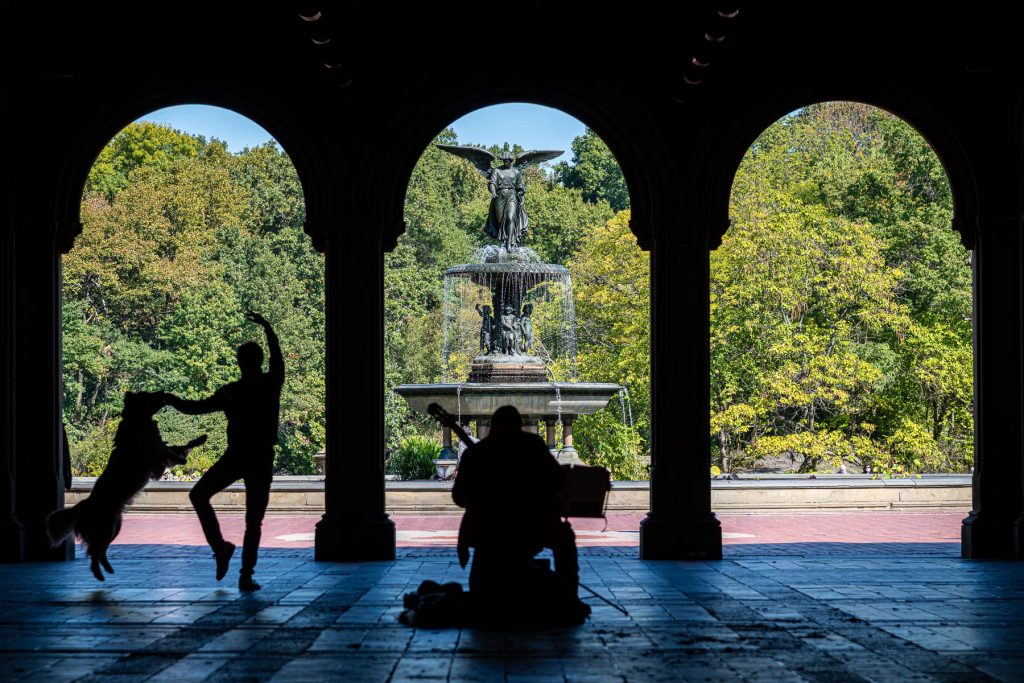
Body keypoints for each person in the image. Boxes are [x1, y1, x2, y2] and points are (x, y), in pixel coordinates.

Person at [166, 311, 284, 591]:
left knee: (198, 495)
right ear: (260, 361)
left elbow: (194, 408)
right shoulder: (270, 384)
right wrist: (268, 328)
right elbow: (278, 358)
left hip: (237, 455)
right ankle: (246, 574)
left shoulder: (232, 392)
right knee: (253, 521)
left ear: (239, 363)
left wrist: (169, 399)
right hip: (260, 457)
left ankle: (220, 548)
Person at [452, 405, 586, 626]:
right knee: (564, 538)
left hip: (489, 532)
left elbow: (459, 497)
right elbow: (558, 480)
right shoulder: (533, 446)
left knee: (482, 588)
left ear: (492, 427)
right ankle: (570, 597)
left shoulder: (477, 453)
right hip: (532, 526)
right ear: (519, 426)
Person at [486, 151, 528, 250]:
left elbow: (519, 186)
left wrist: (522, 195)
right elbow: (492, 183)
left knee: (510, 217)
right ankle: (504, 242)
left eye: (507, 161)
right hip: (499, 196)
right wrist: (493, 192)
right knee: (501, 222)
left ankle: (509, 243)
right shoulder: (497, 170)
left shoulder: (516, 172)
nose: (505, 162)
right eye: (504, 161)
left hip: (512, 196)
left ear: (511, 161)